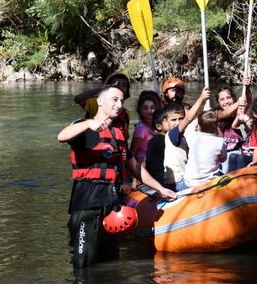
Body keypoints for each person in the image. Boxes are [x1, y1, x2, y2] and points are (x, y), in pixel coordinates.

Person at [57, 85, 175, 268]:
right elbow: (62, 136)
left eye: (121, 100)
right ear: (100, 102)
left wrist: (160, 188)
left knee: (110, 262)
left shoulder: (118, 133)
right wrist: (89, 124)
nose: (119, 104)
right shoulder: (83, 126)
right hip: (88, 201)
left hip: (112, 202)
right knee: (84, 264)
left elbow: (134, 166)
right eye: (114, 99)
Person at [149, 88, 211, 191]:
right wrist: (201, 98)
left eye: (181, 118)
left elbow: (196, 122)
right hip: (177, 183)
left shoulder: (184, 135)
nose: (178, 122)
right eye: (173, 120)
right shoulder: (171, 135)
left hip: (183, 179)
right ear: (166, 121)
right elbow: (189, 119)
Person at [73, 72, 132, 138]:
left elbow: (125, 137)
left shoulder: (125, 114)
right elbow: (78, 99)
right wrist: (103, 89)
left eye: (124, 85)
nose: (120, 87)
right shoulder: (96, 103)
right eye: (117, 84)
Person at [183, 109, 227, 188]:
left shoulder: (193, 137)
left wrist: (198, 119)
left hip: (190, 182)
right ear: (217, 126)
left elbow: (188, 128)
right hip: (210, 182)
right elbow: (223, 159)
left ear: (199, 126)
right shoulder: (220, 142)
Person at [214, 80, 252, 172]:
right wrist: (238, 103)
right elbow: (224, 114)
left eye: (228, 98)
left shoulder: (240, 110)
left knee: (237, 157)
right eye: (222, 99)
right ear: (218, 103)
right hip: (224, 156)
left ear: (234, 98)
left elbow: (248, 100)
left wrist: (246, 87)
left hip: (241, 154)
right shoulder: (215, 113)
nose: (226, 101)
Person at [129, 90, 160, 168]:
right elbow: (132, 153)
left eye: (152, 108)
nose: (149, 111)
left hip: (152, 166)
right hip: (142, 168)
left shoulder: (154, 127)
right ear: (139, 110)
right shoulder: (141, 129)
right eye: (145, 108)